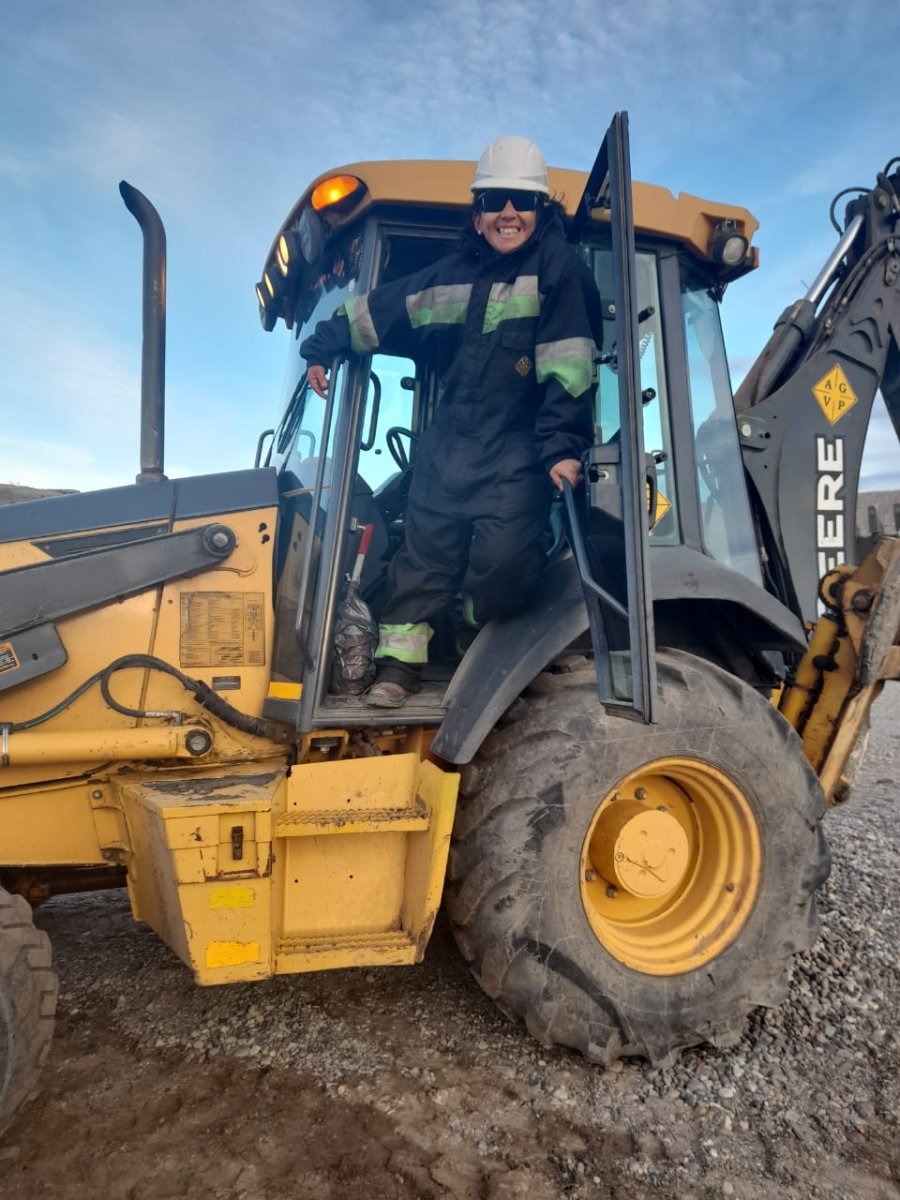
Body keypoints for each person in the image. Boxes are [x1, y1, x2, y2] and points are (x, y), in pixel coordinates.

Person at [300, 136, 602, 707]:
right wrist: (324, 345)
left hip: (516, 454)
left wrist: (562, 447)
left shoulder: (559, 271)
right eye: (494, 201)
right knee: (422, 561)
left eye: (522, 201)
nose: (508, 213)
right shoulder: (452, 274)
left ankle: (473, 635)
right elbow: (384, 310)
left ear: (540, 209)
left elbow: (569, 364)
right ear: (478, 212)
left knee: (504, 566)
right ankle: (398, 669)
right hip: (446, 448)